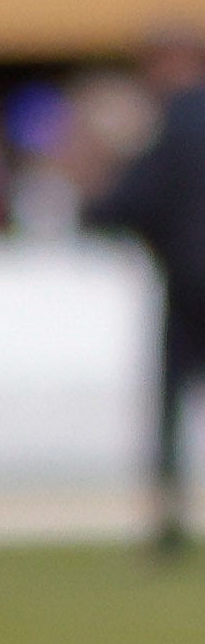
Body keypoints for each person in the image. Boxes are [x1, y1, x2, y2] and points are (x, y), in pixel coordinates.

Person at [84, 29, 205, 559]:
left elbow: (124, 206)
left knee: (171, 410)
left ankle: (168, 526)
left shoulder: (171, 126)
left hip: (187, 286)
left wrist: (96, 177)